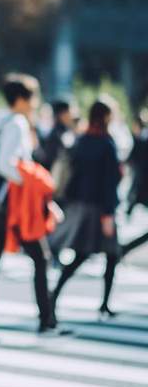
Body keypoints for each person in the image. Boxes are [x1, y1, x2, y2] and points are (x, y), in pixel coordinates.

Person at [0, 74, 68, 339]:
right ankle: (47, 321)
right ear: (22, 99)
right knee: (40, 257)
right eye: (33, 97)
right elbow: (4, 163)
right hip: (13, 204)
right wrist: (30, 182)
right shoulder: (17, 124)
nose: (35, 103)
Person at [50, 99, 122, 319]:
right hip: (100, 209)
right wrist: (108, 214)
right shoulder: (107, 144)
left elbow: (73, 174)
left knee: (85, 255)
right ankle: (103, 304)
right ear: (107, 117)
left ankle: (55, 296)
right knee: (108, 255)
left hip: (82, 205)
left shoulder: (81, 140)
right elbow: (109, 182)